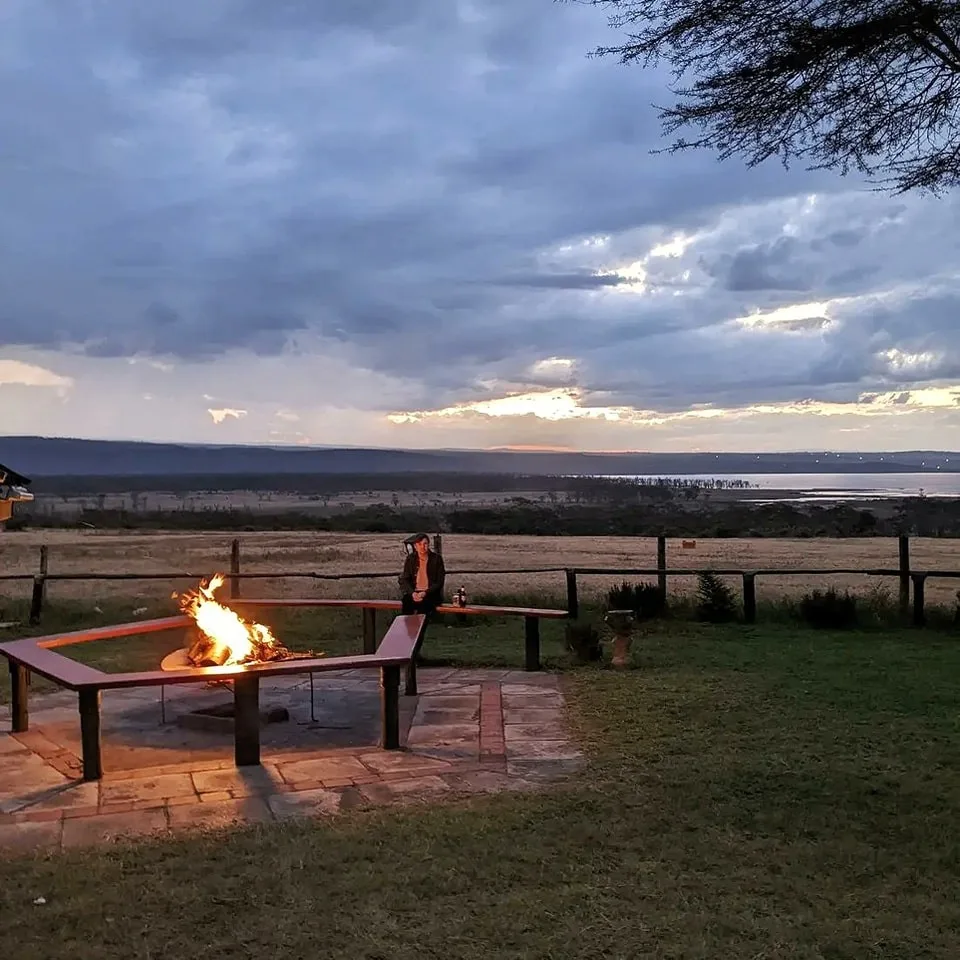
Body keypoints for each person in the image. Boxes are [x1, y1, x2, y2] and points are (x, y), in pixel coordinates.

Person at [398, 533, 446, 614]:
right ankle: (408, 622)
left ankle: (422, 621)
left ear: (428, 544)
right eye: (419, 544)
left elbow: (439, 581)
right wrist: (412, 593)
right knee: (406, 601)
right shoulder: (410, 559)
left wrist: (425, 593)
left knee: (424, 607)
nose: (422, 547)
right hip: (414, 592)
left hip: (430, 594)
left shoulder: (436, 559)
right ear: (415, 546)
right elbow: (405, 579)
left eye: (425, 544)